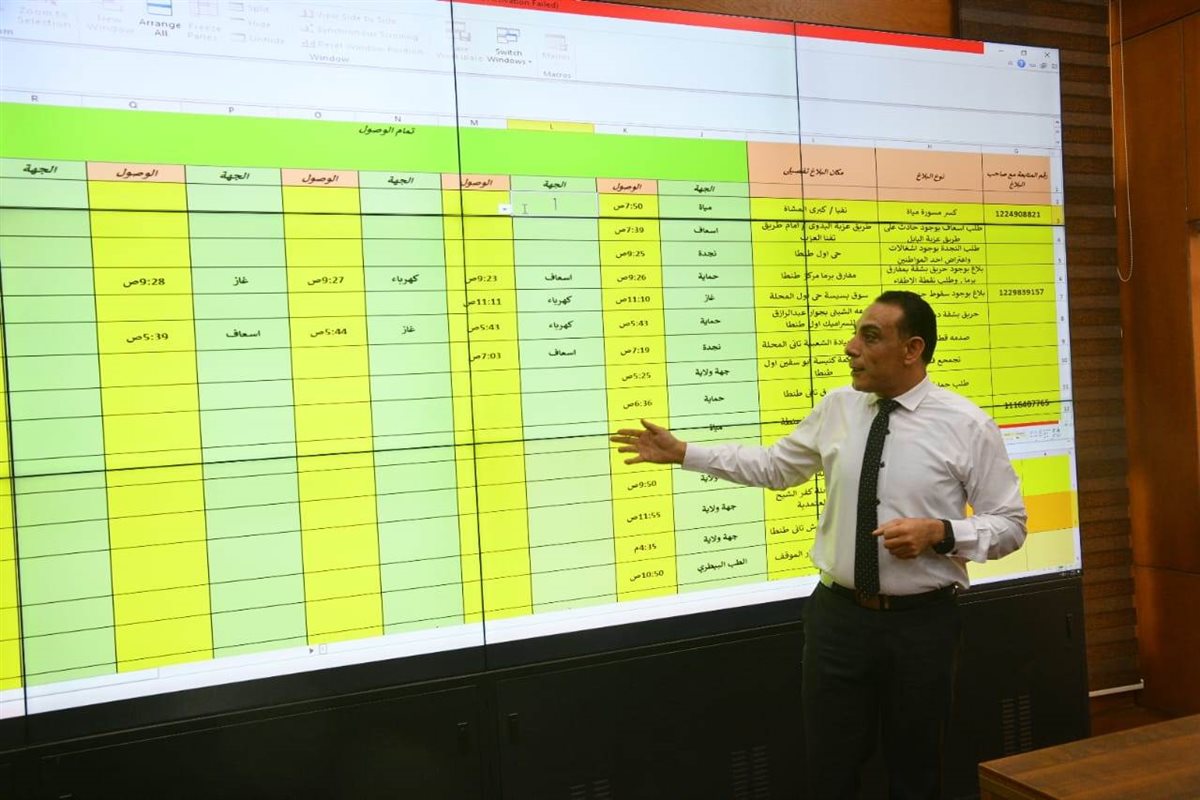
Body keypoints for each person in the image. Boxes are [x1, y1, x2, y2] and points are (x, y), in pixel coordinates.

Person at [610, 291, 1026, 799]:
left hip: (921, 627)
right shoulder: (838, 407)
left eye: (869, 337)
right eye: (855, 334)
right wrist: (685, 453)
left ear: (912, 349)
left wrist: (942, 533)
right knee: (830, 768)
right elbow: (776, 467)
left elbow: (1010, 524)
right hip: (838, 621)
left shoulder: (967, 425)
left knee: (915, 770)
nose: (850, 347)